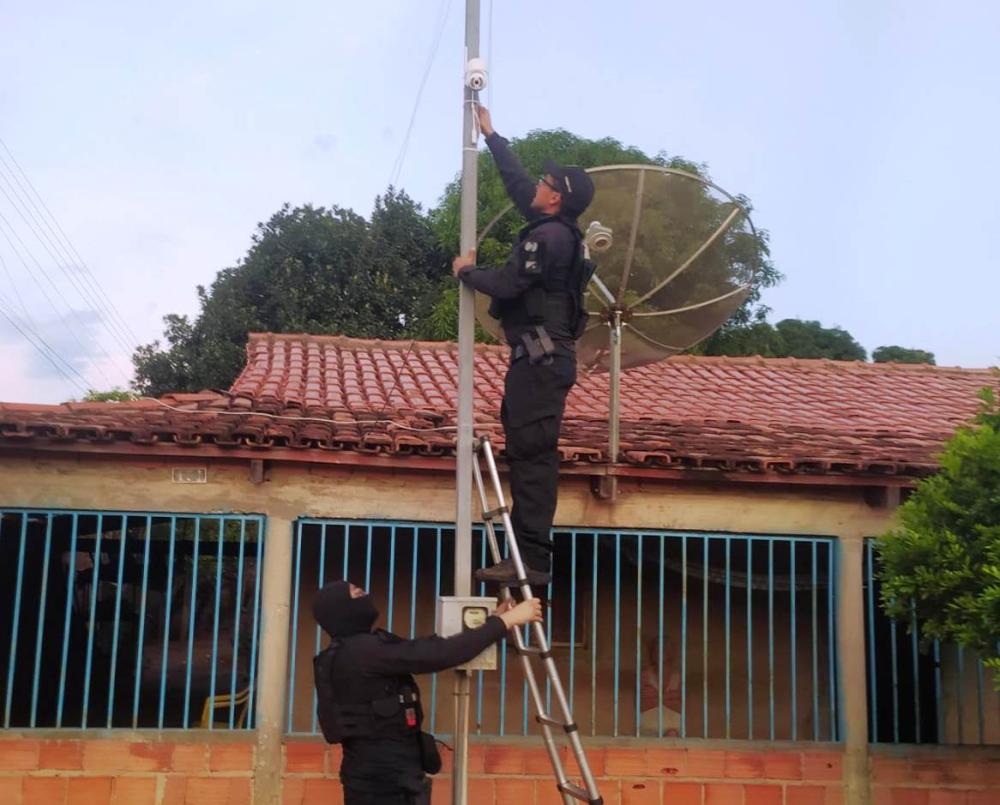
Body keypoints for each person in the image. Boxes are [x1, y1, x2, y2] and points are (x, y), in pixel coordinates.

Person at [453, 105, 596, 588]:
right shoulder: (556, 228)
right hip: (539, 360)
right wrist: (493, 137)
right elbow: (519, 189)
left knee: (534, 458)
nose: (536, 185)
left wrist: (466, 272)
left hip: (540, 359)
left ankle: (531, 560)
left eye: (544, 182)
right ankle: (526, 555)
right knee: (527, 452)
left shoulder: (551, 237)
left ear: (555, 198)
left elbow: (511, 284)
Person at [312, 579, 542, 804]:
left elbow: (428, 648)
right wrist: (507, 621)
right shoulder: (363, 651)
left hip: (376, 774)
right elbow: (439, 653)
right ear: (342, 610)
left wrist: (493, 621)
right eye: (357, 593)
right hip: (385, 782)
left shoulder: (350, 651)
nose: (365, 594)